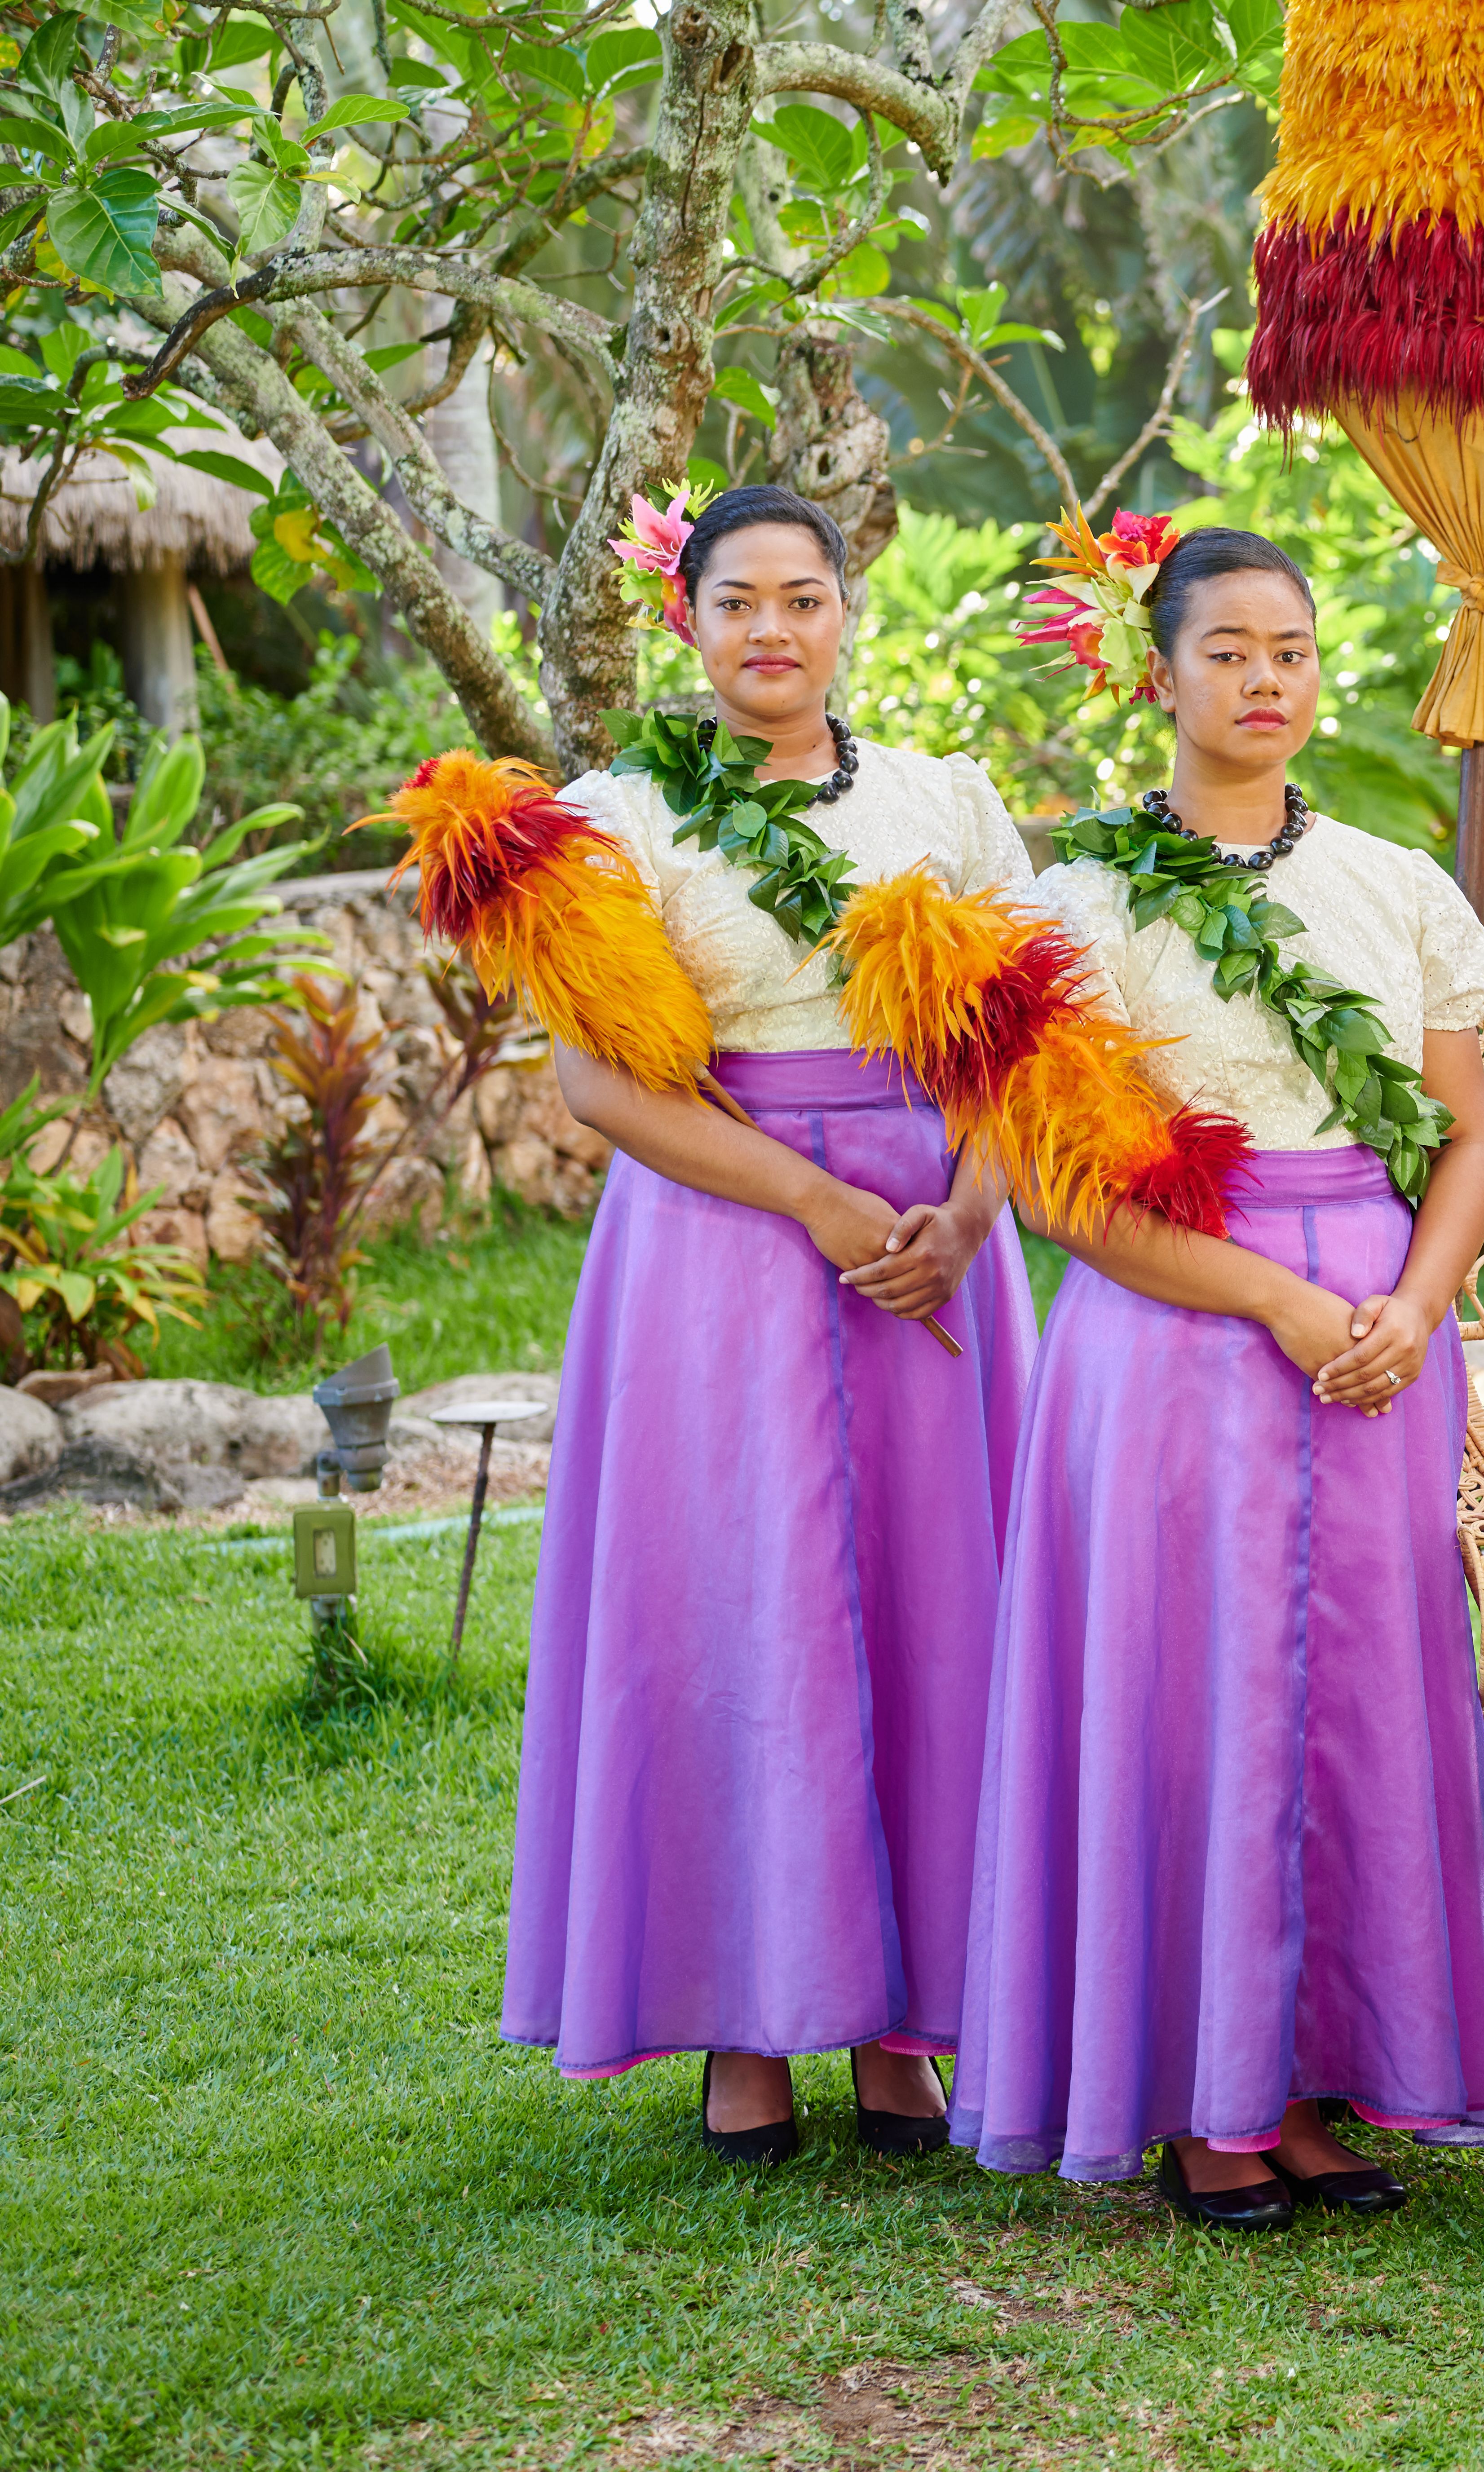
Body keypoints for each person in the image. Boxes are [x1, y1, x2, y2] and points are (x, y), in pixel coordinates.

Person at [946, 526, 1484, 2225]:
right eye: (1229, 652)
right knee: (1183, 1690)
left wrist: (1419, 1306)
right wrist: (1272, 1303)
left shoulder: (1400, 887)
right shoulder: (1075, 905)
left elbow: (1470, 1135)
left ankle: (1333, 2074)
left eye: (1292, 650)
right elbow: (1062, 1190)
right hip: (1182, 1331)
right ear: (1162, 672)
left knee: (1363, 1694)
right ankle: (1204, 2095)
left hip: (1382, 1336)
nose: (1265, 681)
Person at [493, 483, 1041, 2158]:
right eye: (739, 602)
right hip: (719, 1244)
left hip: (931, 1242)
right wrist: (806, 1198)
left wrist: (964, 1217)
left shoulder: (945, 802)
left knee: (935, 1605)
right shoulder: (617, 817)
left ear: (845, 615)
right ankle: (745, 2017)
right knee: (739, 1607)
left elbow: (1028, 1043)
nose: (773, 631)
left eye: (804, 599)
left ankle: (907, 2019)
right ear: (690, 619)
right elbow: (595, 1080)